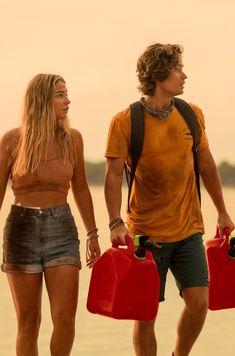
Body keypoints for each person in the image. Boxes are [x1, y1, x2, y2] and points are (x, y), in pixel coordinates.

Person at [104, 43, 234, 356]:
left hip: (189, 229)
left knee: (200, 303)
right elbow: (111, 177)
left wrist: (222, 212)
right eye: (178, 69)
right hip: (145, 234)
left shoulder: (191, 115)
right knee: (145, 313)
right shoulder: (125, 122)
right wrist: (115, 222)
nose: (184, 75)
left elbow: (205, 163)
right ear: (160, 74)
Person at [0, 73, 101, 356]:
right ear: (42, 100)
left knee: (65, 320)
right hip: (21, 230)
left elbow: (81, 189)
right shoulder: (11, 141)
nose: (68, 101)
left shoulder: (72, 139)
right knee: (29, 322)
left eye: (66, 94)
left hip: (62, 228)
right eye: (60, 95)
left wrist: (93, 234)